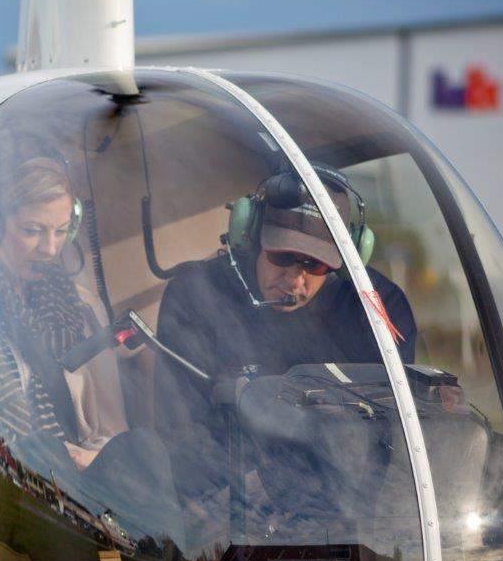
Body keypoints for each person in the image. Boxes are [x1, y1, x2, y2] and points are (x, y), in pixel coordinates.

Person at [0, 155, 186, 561]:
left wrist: (91, 455)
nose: (50, 248)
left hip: (76, 476)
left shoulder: (79, 308)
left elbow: (110, 427)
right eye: (32, 230)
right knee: (42, 453)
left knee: (144, 448)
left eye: (61, 231)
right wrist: (47, 453)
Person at [154, 164, 417, 443]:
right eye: (281, 256)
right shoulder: (198, 296)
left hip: (340, 464)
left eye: (315, 264)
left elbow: (394, 435)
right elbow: (178, 432)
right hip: (222, 463)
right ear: (251, 234)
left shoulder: (379, 311)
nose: (294, 280)